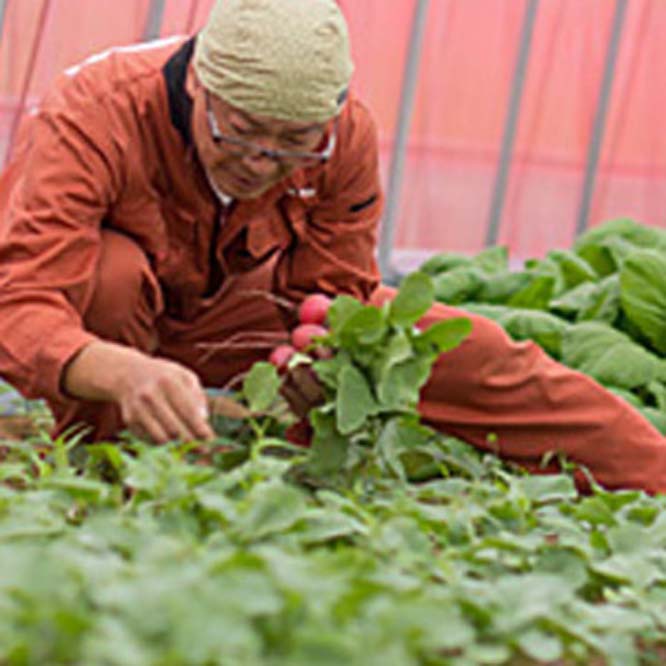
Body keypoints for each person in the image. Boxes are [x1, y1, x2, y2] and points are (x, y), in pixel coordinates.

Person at [0, 0, 664, 493]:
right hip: (107, 324)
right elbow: (21, 303)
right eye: (243, 132)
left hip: (230, 321)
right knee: (108, 275)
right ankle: (105, 469)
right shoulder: (96, 109)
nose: (263, 162)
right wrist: (119, 371)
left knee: (467, 347)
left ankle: (651, 477)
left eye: (295, 142)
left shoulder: (345, 135)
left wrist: (316, 357)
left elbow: (336, 291)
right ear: (202, 84)